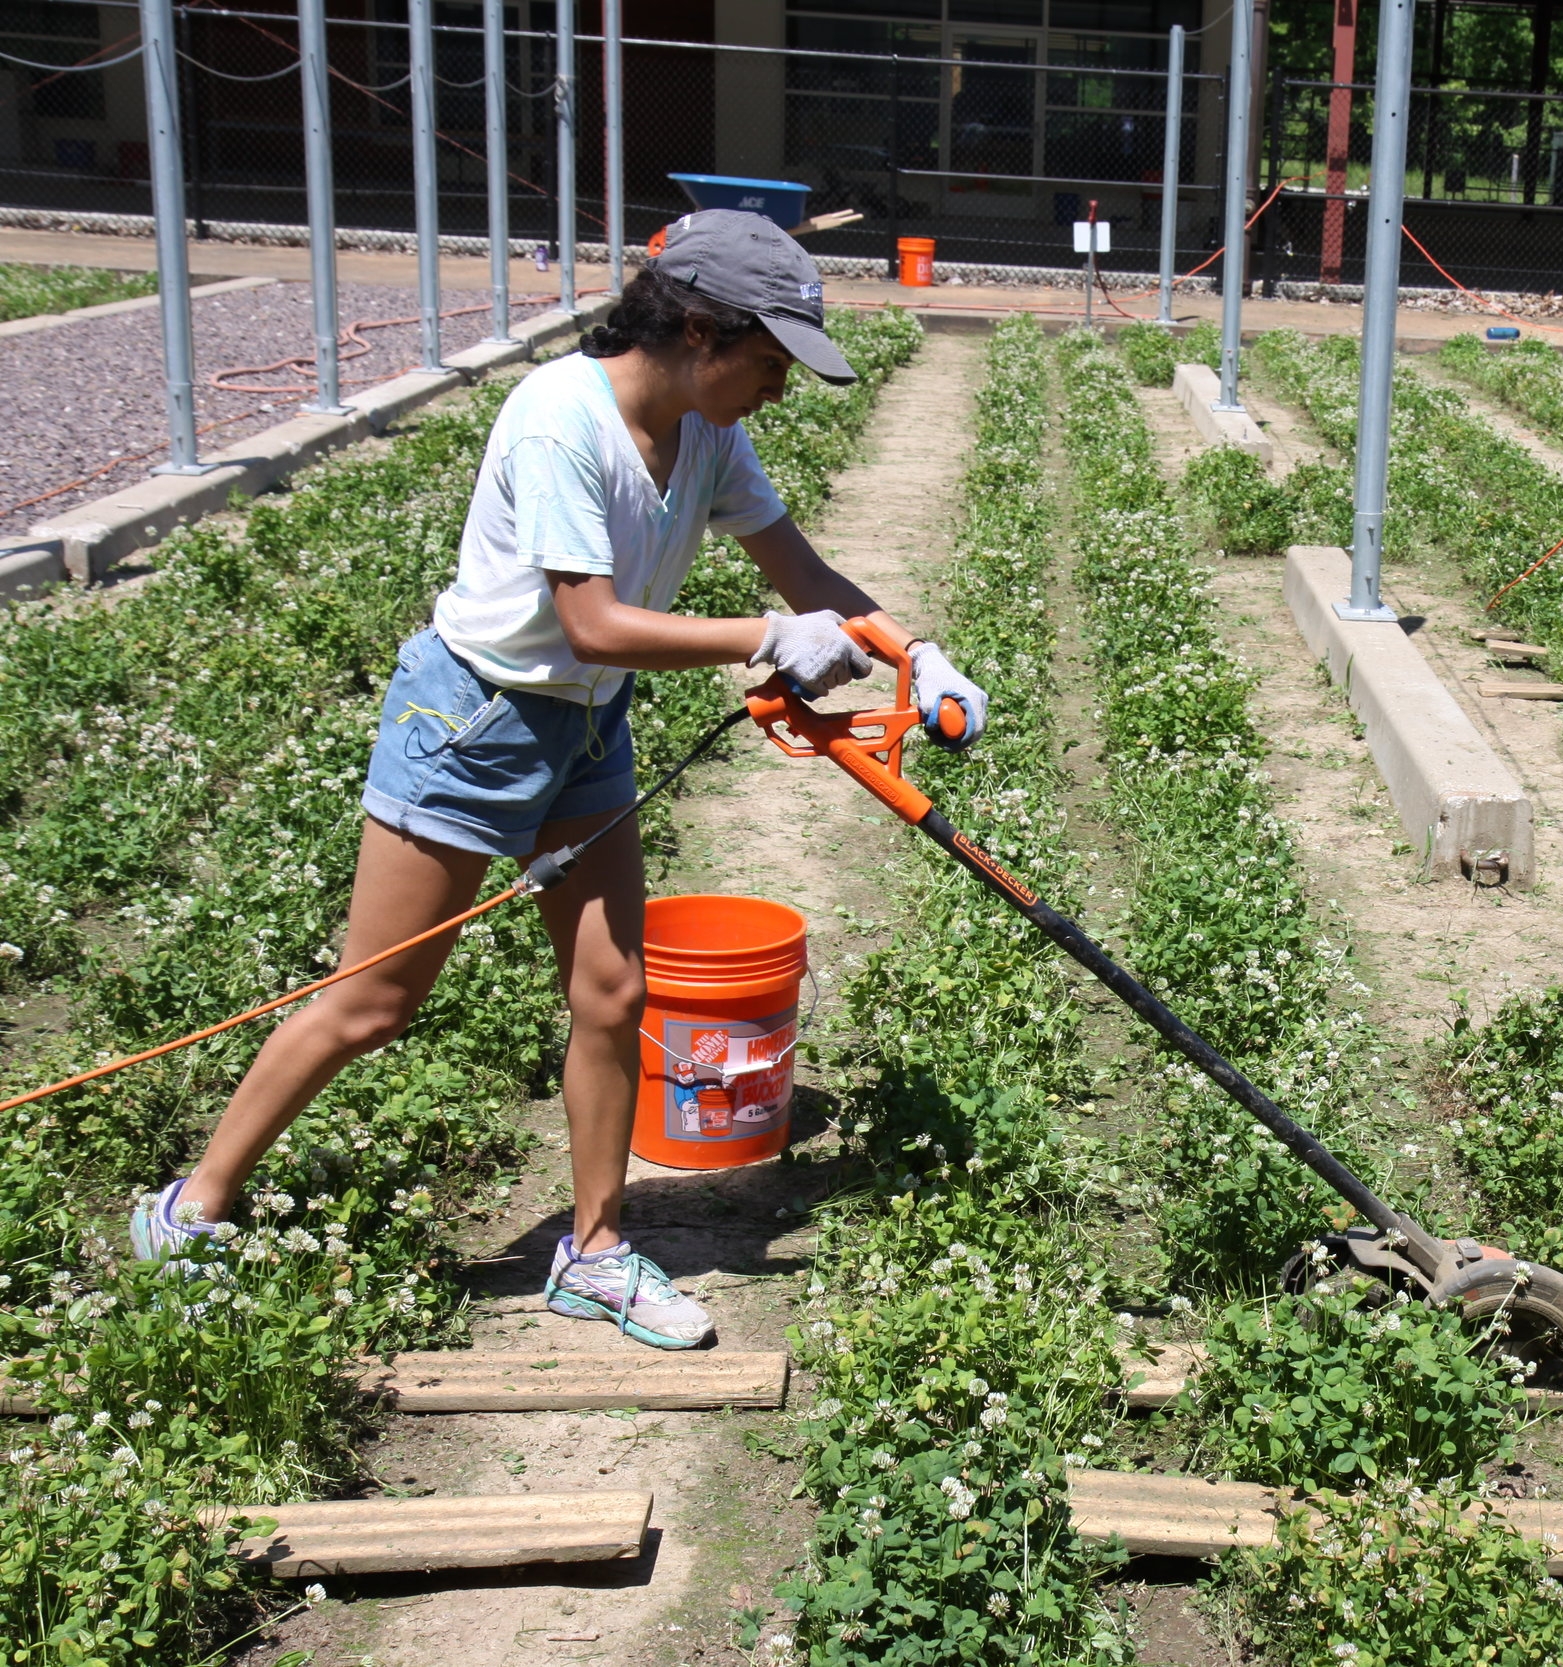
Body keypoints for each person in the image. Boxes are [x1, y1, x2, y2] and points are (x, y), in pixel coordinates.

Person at [128, 210, 987, 1350]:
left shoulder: (707, 434)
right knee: (375, 1000)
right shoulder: (559, 421)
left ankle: (591, 1251)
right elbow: (590, 623)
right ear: (697, 329)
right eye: (769, 361)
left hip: (586, 730)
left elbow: (802, 571)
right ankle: (192, 1207)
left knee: (613, 994)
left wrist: (909, 651)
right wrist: (763, 642)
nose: (778, 389)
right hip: (472, 722)